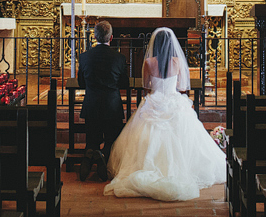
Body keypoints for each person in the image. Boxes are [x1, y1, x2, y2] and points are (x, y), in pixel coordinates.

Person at [105, 27, 225, 201]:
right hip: (173, 100)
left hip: (154, 102)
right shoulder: (177, 62)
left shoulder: (149, 63)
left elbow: (147, 85)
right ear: (171, 44)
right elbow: (183, 87)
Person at [77, 21, 129, 181]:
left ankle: (90, 154)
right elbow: (124, 84)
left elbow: (81, 83)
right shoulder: (119, 58)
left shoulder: (85, 57)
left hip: (91, 104)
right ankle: (104, 156)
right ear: (111, 38)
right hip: (112, 106)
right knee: (111, 140)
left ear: (94, 37)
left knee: (92, 139)